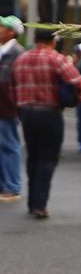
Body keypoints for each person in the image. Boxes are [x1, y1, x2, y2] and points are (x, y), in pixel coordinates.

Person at [11, 28, 81, 218]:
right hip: (50, 113)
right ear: (53, 41)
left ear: (35, 39)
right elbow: (78, 83)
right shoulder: (57, 59)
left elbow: (12, 86)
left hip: (27, 113)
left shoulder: (20, 59)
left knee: (33, 157)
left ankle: (31, 202)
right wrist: (73, 100)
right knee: (48, 159)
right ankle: (40, 204)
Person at [0, 15, 24, 203]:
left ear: (12, 32)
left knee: (9, 146)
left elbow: (11, 83)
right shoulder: (3, 50)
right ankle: (4, 185)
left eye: (2, 26)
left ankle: (13, 186)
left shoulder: (17, 53)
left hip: (6, 108)